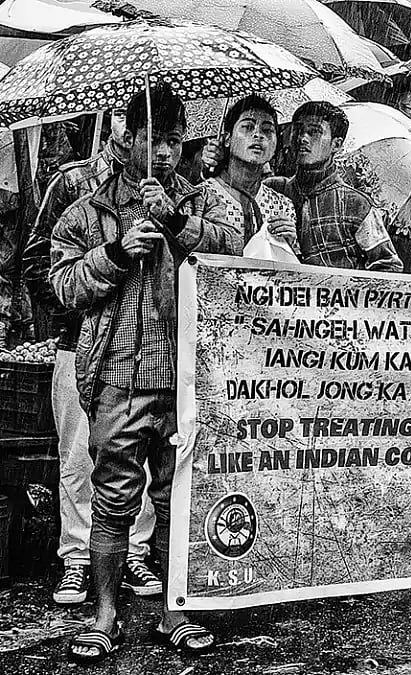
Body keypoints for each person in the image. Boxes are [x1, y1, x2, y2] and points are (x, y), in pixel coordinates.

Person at [51, 85, 240, 662]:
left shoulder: (203, 201)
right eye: (153, 140)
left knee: (180, 495)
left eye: (173, 142)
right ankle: (104, 615)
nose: (163, 153)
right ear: (126, 140)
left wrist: (174, 219)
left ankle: (176, 611)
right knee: (112, 496)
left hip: (186, 376)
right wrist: (115, 250)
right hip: (117, 374)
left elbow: (230, 253)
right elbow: (63, 286)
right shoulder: (87, 212)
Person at [23, 107, 163, 605]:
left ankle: (137, 556)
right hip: (80, 344)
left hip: (147, 355)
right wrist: (81, 316)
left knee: (139, 460)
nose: (135, 135)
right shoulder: (73, 185)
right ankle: (78, 558)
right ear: (114, 125)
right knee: (80, 458)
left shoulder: (170, 193)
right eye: (126, 122)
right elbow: (39, 264)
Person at [265, 102, 404, 273]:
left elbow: (389, 267)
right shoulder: (273, 190)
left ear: (336, 145)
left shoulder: (356, 205)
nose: (302, 138)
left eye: (314, 132)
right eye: (298, 129)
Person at [199, 95, 297, 252]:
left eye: (267, 130)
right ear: (227, 139)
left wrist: (288, 246)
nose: (258, 135)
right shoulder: (202, 196)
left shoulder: (283, 206)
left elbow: (292, 273)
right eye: (248, 127)